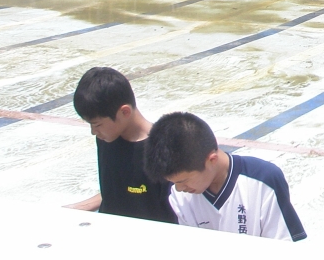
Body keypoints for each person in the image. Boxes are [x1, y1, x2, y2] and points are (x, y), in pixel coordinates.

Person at [144, 112, 306, 241]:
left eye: (183, 181)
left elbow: (286, 247)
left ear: (211, 160)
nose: (179, 189)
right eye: (174, 183)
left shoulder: (263, 180)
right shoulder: (179, 197)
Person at [66, 67, 176, 224]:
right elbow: (116, 190)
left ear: (125, 112)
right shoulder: (107, 137)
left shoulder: (162, 149)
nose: (93, 132)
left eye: (97, 124)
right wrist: (79, 207)